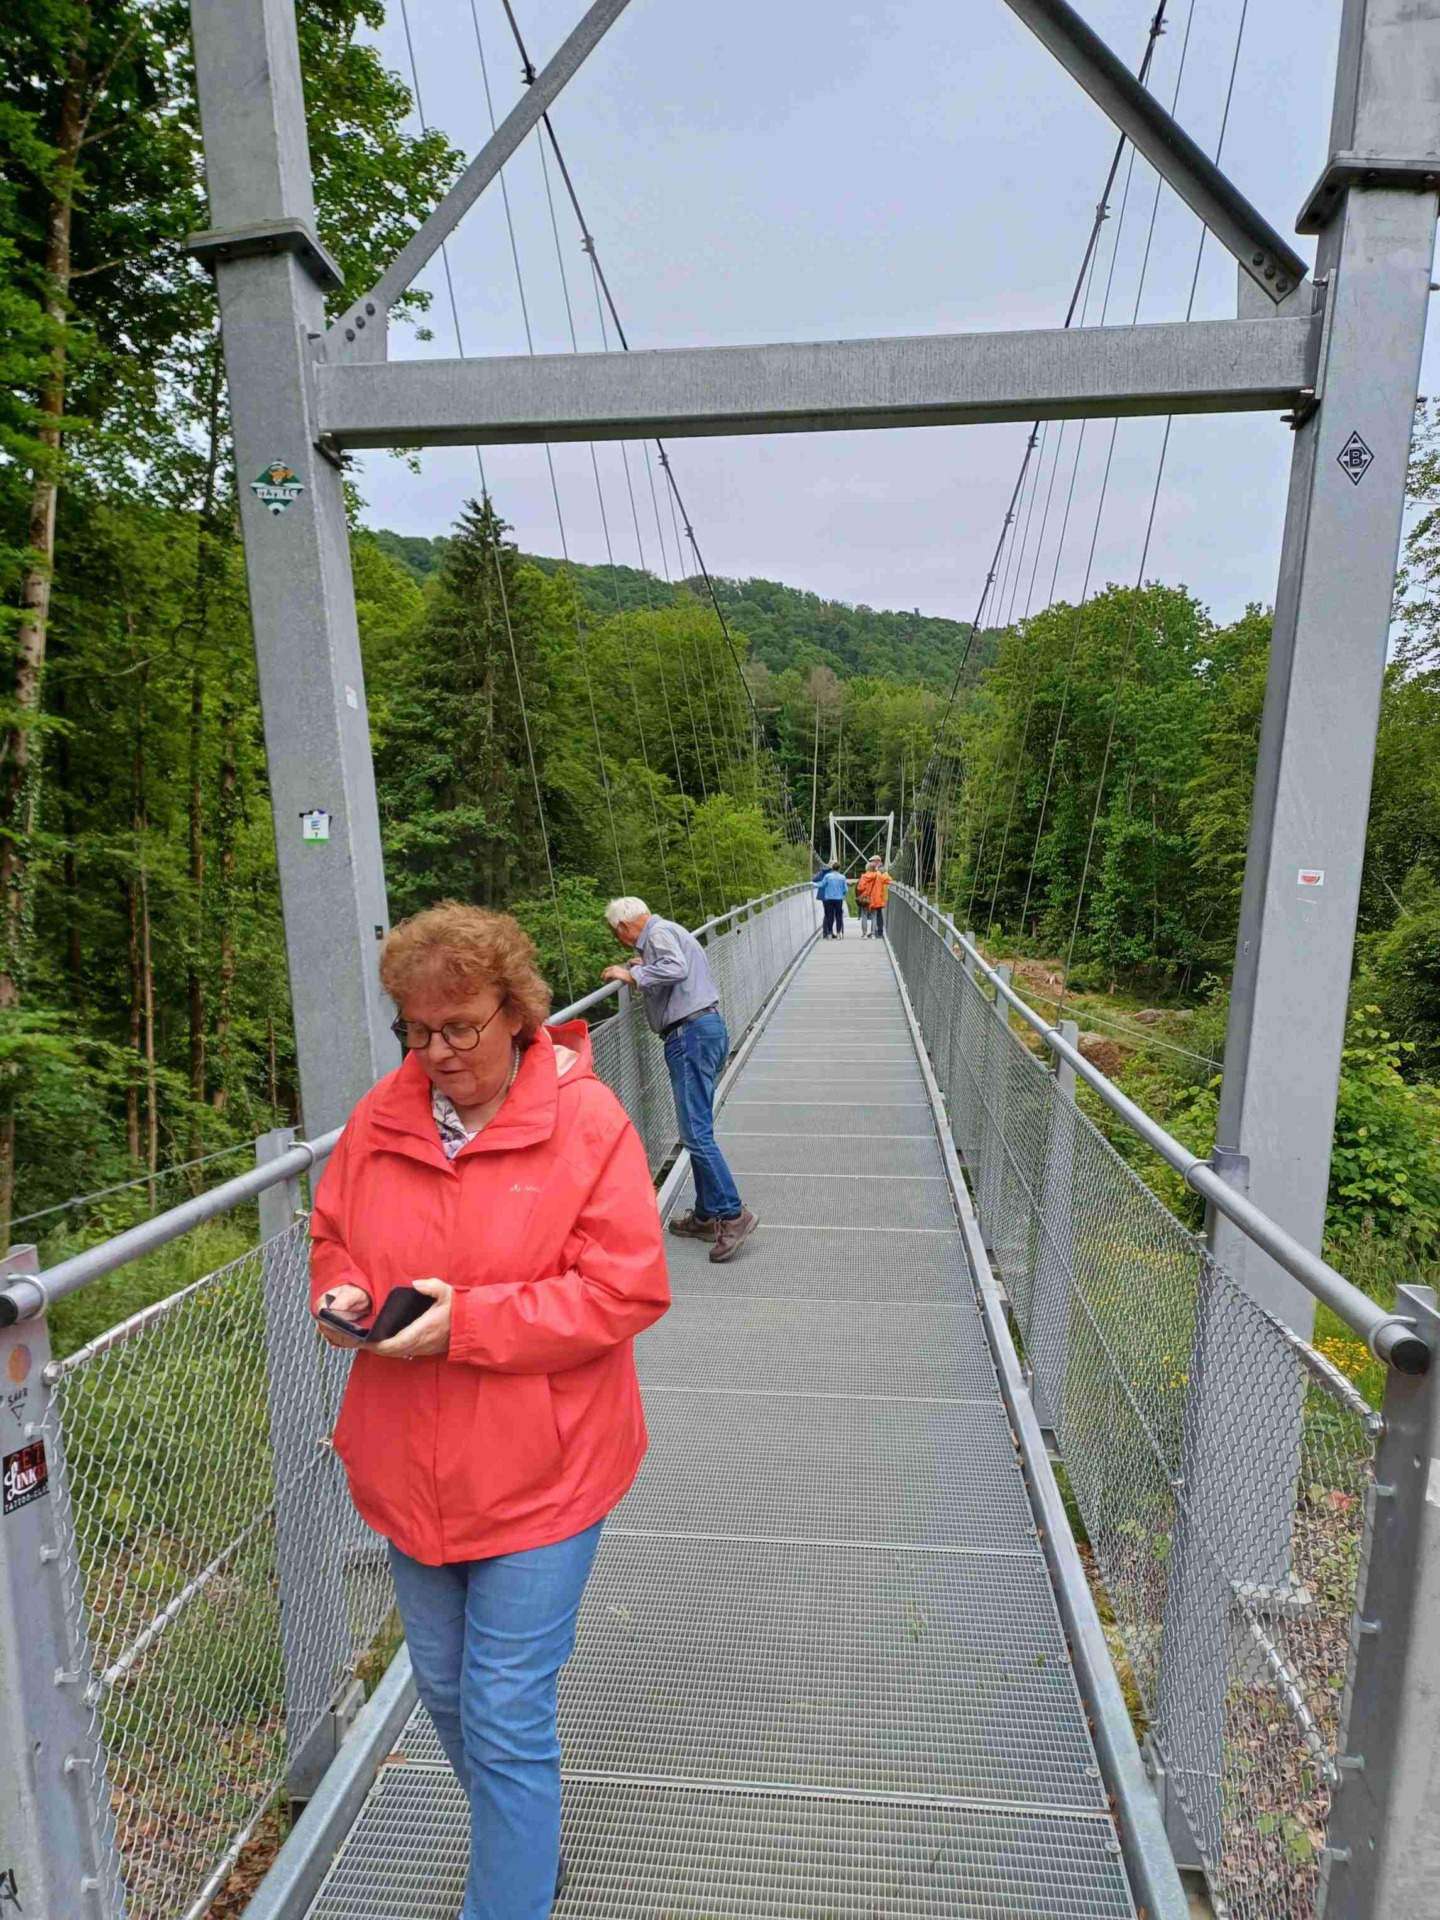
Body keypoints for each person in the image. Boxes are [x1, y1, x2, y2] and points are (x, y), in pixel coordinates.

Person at [310, 902, 670, 1920]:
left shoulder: (586, 1125)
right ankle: (526, 1845)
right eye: (417, 1030)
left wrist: (469, 1324)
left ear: (516, 1012)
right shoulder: (381, 1118)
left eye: (461, 1026)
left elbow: (626, 1289)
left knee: (505, 1710)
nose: (438, 1053)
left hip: (543, 1471)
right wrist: (341, 1292)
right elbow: (333, 1235)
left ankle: (508, 1892)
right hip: (410, 1467)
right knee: (446, 1692)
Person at [601, 896, 758, 1261]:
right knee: (698, 1130)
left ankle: (733, 1215)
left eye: (615, 933)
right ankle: (705, 1215)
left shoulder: (657, 934)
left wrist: (634, 975)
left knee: (695, 1134)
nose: (618, 940)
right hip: (704, 1030)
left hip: (689, 1036)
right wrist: (647, 966)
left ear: (623, 927)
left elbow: (675, 968)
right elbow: (674, 966)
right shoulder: (668, 931)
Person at [815, 860, 848, 939]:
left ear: (832, 868)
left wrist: (813, 884)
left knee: (829, 916)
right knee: (839, 916)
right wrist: (842, 894)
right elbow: (845, 889)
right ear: (839, 868)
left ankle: (829, 933)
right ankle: (838, 933)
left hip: (828, 899)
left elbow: (822, 885)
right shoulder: (842, 877)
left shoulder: (828, 876)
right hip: (838, 899)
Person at [856, 856, 882, 937]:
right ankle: (873, 934)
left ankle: (864, 934)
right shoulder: (878, 875)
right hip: (874, 898)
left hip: (865, 898)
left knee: (864, 916)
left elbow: (860, 888)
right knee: (874, 916)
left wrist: (861, 894)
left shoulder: (864, 876)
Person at [868, 862, 893, 939]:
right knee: (878, 915)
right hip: (878, 898)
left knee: (874, 915)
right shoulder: (879, 876)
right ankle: (879, 931)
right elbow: (889, 880)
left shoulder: (868, 876)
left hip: (871, 899)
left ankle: (874, 932)